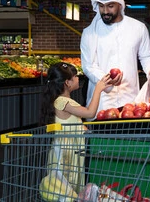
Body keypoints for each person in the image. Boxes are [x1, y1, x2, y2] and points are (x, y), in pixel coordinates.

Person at [80, 0, 150, 114]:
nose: (105, 11)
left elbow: (146, 55)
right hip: (101, 103)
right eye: (101, 6)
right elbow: (88, 66)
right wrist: (107, 80)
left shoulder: (138, 28)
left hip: (130, 101)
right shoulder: (89, 33)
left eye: (110, 6)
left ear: (120, 4)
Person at [40, 62, 111, 192]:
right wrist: (98, 89)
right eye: (76, 76)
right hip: (67, 156)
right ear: (68, 82)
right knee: (67, 189)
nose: (79, 78)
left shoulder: (60, 101)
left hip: (68, 152)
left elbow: (73, 121)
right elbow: (90, 113)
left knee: (66, 190)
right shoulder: (63, 101)